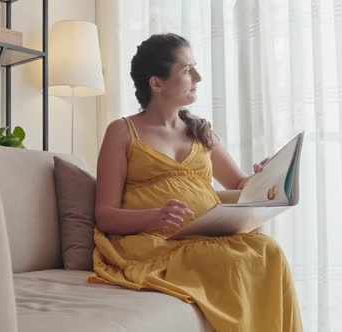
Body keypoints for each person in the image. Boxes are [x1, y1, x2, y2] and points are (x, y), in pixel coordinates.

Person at [88, 33, 302, 331]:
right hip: (156, 242)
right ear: (157, 83)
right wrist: (156, 217)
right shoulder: (122, 132)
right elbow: (105, 215)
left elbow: (241, 183)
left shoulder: (200, 130)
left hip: (208, 237)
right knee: (232, 263)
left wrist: (265, 174)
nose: (198, 77)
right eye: (188, 70)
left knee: (270, 251)